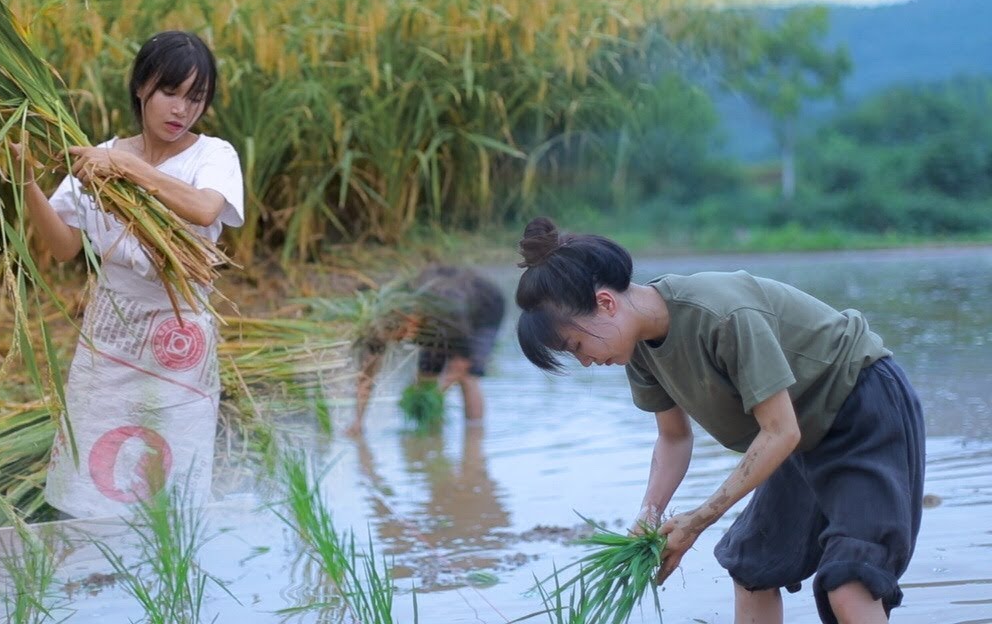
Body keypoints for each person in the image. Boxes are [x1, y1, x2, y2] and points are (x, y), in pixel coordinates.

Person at [513, 217, 925, 624]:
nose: (586, 361)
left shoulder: (720, 315)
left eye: (578, 345)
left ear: (606, 303)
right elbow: (674, 439)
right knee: (752, 564)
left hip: (860, 405)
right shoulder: (638, 350)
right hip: (800, 433)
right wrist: (649, 514)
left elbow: (780, 431)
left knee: (849, 581)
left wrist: (699, 518)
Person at [12, 31, 244, 519]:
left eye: (195, 98)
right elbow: (62, 246)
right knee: (92, 486)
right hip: (110, 339)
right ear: (142, 87)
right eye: (170, 92)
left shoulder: (213, 156)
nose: (181, 110)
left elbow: (204, 211)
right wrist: (27, 182)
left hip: (176, 345)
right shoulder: (99, 157)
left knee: (169, 495)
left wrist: (127, 168)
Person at [346, 264, 506, 437]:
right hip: (435, 318)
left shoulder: (446, 309)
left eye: (404, 331)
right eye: (392, 335)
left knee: (469, 376)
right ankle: (431, 433)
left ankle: (474, 439)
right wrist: (358, 422)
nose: (401, 339)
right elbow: (367, 376)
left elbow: (461, 365)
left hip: (484, 308)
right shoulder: (378, 326)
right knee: (426, 373)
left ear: (410, 316)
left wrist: (427, 396)